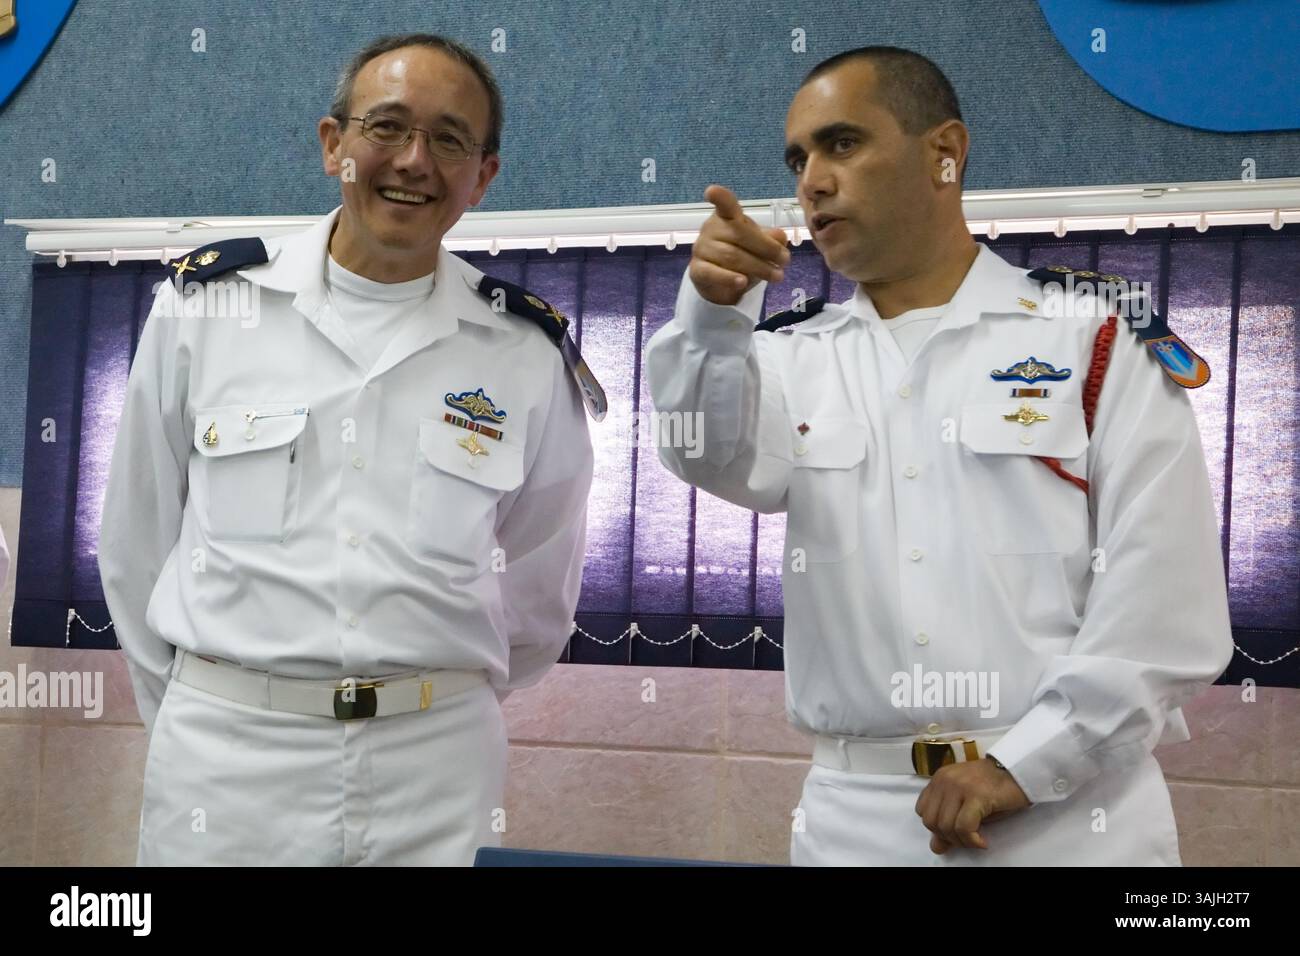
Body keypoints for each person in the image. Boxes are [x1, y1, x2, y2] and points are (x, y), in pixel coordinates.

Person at [646, 45, 1231, 865]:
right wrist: (711, 319)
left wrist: (1023, 764)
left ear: (944, 153)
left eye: (842, 144)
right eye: (798, 157)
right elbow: (701, 455)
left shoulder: (1093, 337)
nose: (812, 179)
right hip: (857, 818)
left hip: (1071, 820)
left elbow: (1164, 605)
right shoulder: (788, 359)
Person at [99, 33, 600, 866]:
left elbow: (541, 587)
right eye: (386, 127)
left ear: (484, 176)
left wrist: (428, 695)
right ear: (334, 144)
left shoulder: (524, 350)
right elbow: (135, 543)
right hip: (227, 768)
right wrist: (215, 705)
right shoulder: (206, 309)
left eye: (449, 140)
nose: (413, 161)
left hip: (433, 772)